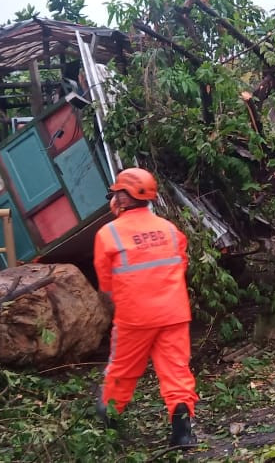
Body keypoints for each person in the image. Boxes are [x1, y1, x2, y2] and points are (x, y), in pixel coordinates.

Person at [93, 167, 199, 446]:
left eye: (115, 194)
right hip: (174, 313)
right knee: (176, 371)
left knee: (122, 370)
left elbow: (106, 286)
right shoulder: (169, 229)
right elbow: (181, 266)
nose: (113, 199)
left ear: (124, 198)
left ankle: (107, 426)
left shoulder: (108, 234)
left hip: (134, 318)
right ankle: (182, 432)